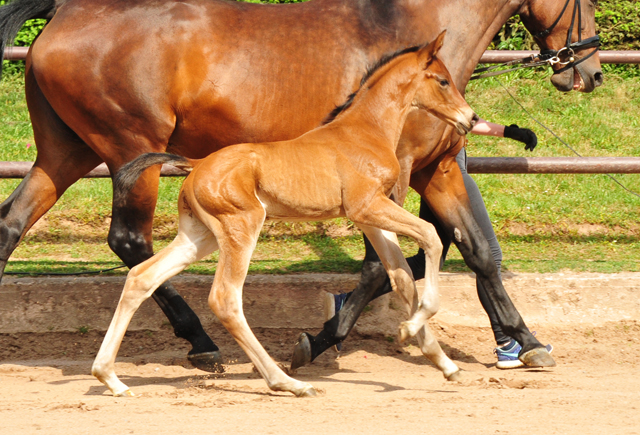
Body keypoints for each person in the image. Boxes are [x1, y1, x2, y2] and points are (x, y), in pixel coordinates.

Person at [325, 120, 552, 369]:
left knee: (427, 260)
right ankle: (508, 343)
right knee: (491, 254)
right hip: (450, 178)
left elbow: (459, 115)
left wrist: (507, 131)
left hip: (440, 175)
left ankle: (346, 303)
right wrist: (507, 132)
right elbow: (454, 116)